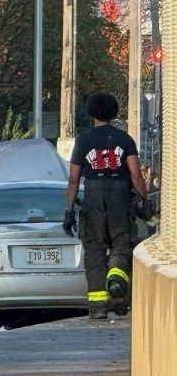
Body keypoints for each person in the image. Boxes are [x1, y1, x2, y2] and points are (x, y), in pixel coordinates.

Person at [63, 92, 150, 319]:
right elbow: (136, 176)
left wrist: (69, 211)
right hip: (120, 196)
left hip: (92, 196)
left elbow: (73, 179)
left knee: (94, 250)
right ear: (114, 112)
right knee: (122, 241)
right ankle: (117, 281)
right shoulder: (124, 140)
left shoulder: (83, 141)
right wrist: (145, 200)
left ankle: (98, 307)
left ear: (91, 113)